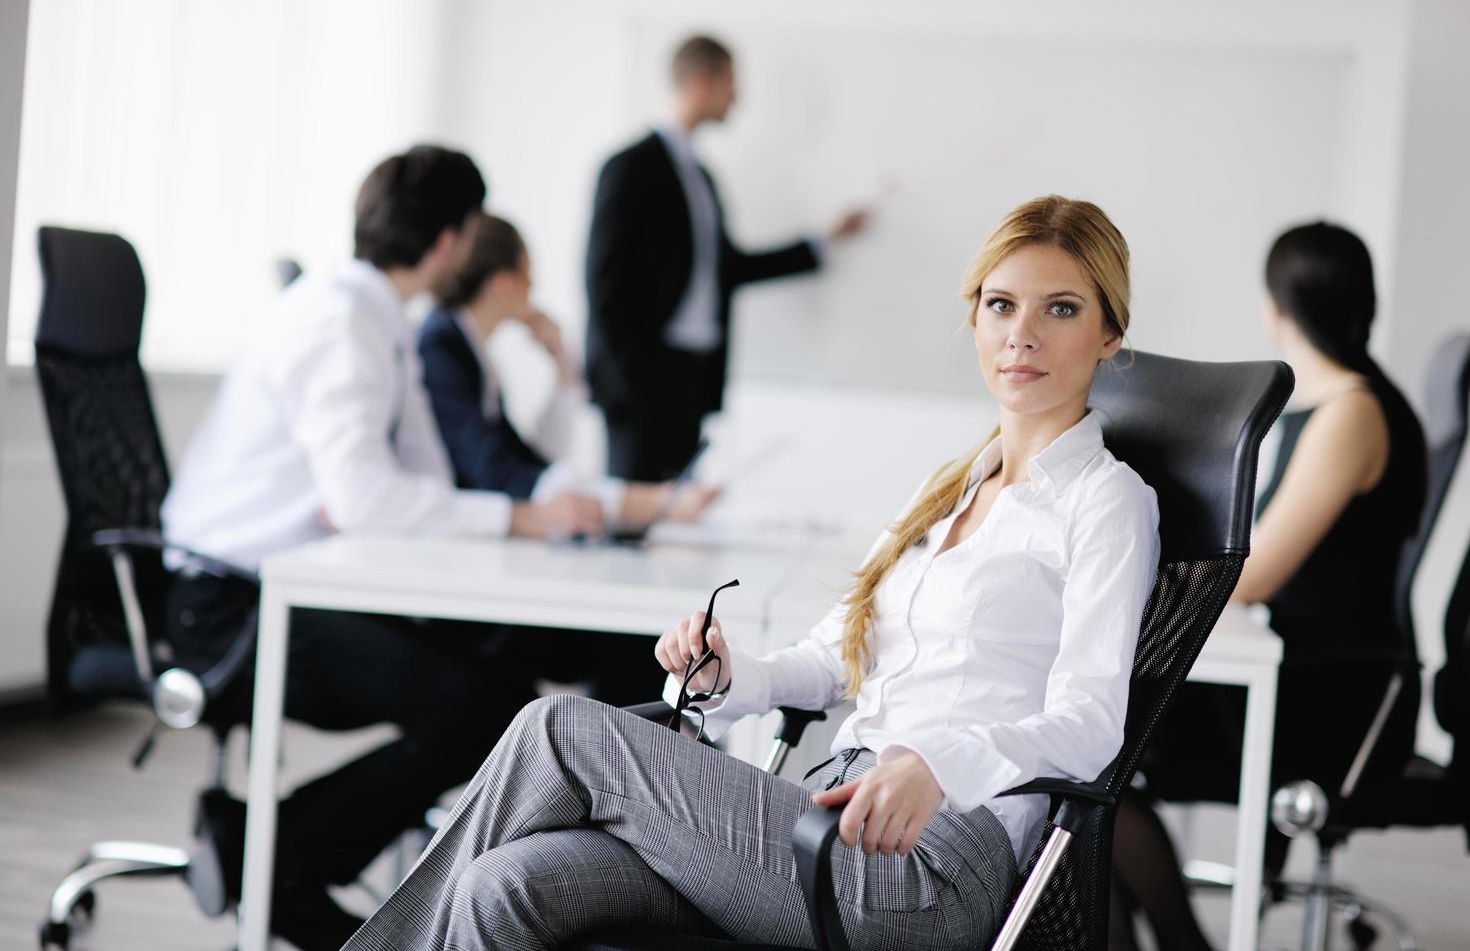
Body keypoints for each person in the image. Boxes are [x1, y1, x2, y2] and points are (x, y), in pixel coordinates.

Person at [343, 195, 1161, 951]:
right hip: (827, 816)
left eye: (1061, 309)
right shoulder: (951, 488)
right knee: (504, 887)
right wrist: (735, 674)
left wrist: (944, 763)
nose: (1022, 334)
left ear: (1109, 335)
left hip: (931, 863)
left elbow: (1091, 722)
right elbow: (841, 651)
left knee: (558, 730)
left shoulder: (1106, 501)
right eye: (1001, 305)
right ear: (975, 321)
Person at [160, 146, 604, 950]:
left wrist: (506, 516)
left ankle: (268, 847)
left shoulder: (381, 320)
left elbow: (426, 479)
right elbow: (361, 498)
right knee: (478, 708)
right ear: (449, 240)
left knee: (501, 689)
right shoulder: (340, 319)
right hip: (229, 606)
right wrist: (517, 522)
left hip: (298, 587)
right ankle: (279, 861)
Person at [1108, 222, 1428, 951]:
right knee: (1101, 739)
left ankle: (1180, 940)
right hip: (1305, 669)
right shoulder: (1324, 404)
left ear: (1275, 307)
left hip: (1332, 697)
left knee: (1101, 748)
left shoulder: (1351, 412)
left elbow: (1256, 574)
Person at [419, 211, 717, 703]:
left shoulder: (469, 348)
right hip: (467, 569)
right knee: (627, 638)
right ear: (501, 282)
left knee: (631, 632)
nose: (534, 288)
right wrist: (639, 501)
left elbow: (535, 459)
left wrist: (559, 361)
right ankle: (628, 768)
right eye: (528, 273)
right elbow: (499, 472)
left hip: (494, 554)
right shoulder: (442, 345)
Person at [585, 34, 868, 481]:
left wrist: (822, 242)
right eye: (730, 84)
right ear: (701, 82)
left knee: (677, 522)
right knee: (633, 522)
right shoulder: (629, 167)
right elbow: (603, 288)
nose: (737, 99)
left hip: (691, 380)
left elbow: (728, 270)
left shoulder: (701, 177)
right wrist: (632, 382)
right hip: (641, 384)